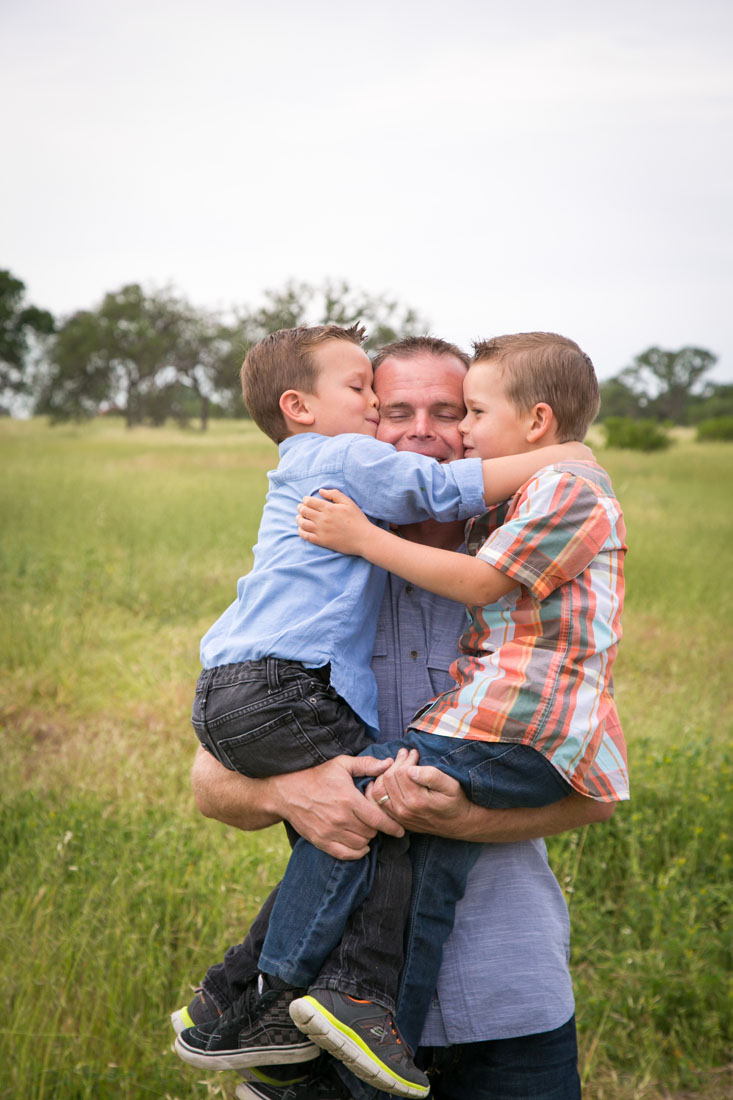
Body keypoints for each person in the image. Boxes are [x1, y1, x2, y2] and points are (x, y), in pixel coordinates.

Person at [174, 334, 621, 1100]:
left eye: (450, 411)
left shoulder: (532, 588)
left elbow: (591, 788)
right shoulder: (315, 590)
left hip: (508, 1003)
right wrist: (289, 794)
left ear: (480, 430)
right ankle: (253, 995)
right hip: (326, 1025)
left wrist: (463, 818)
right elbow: (210, 778)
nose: (420, 429)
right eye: (392, 410)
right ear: (364, 432)